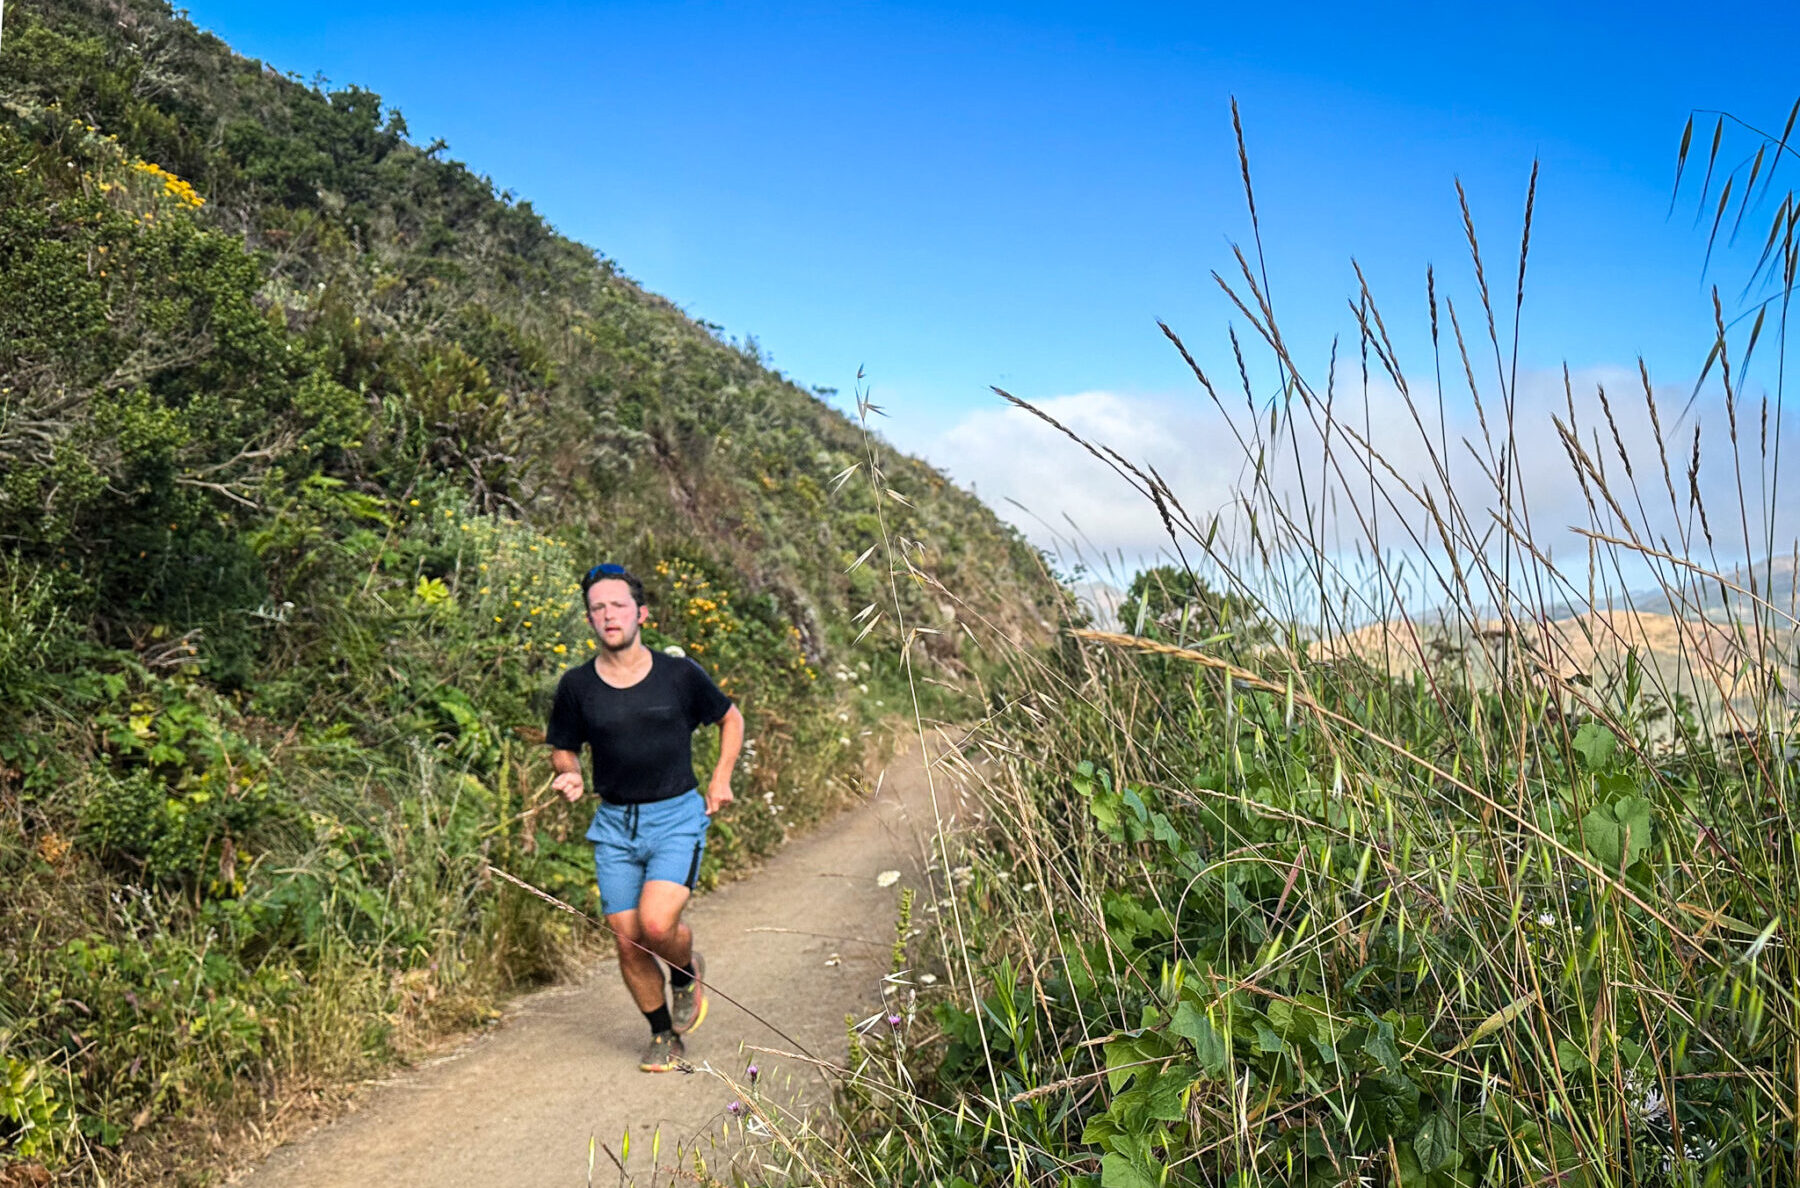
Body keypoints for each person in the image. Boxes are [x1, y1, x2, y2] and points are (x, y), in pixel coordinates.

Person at [546, 562, 744, 1072]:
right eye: (597, 608)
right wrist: (567, 772)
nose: (608, 614)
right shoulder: (576, 687)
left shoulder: (680, 675)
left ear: (641, 614)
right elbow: (564, 748)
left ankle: (683, 973)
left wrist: (721, 779)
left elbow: (730, 718)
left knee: (657, 924)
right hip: (614, 825)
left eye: (617, 605)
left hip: (676, 816)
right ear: (589, 620)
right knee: (627, 935)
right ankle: (663, 1035)